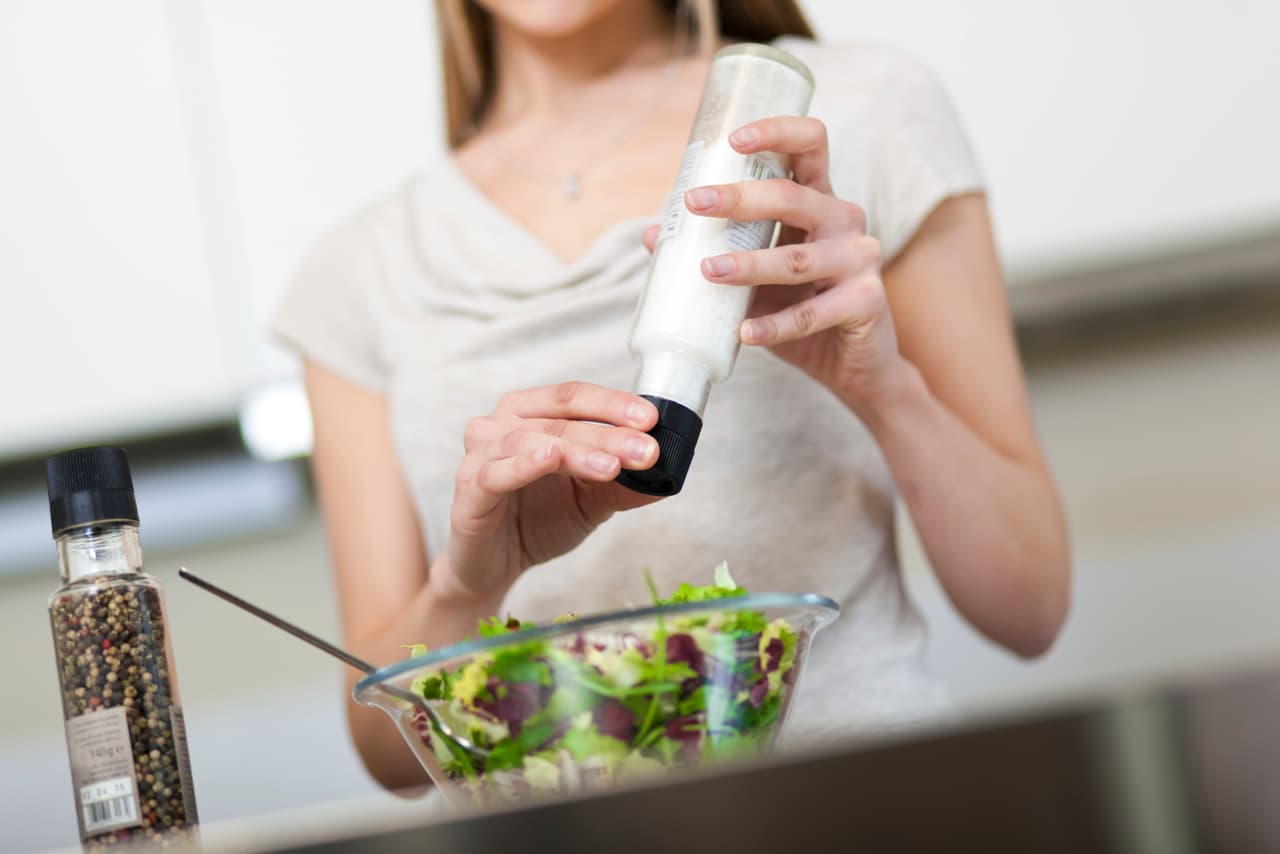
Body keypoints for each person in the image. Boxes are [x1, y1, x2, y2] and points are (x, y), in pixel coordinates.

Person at [271, 0, 1070, 791]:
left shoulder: (860, 106)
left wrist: (882, 389)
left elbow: (1031, 606)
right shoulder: (357, 272)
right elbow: (387, 754)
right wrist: (469, 586)